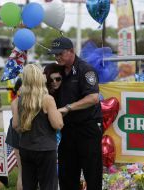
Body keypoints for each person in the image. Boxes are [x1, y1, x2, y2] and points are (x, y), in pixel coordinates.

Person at [48, 37, 103, 190]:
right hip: (67, 129)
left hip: (88, 128)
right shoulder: (56, 71)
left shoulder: (85, 70)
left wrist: (68, 108)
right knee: (66, 174)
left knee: (92, 173)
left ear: (71, 51)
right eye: (55, 54)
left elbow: (93, 98)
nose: (57, 57)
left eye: (60, 54)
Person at [11, 64, 64, 190]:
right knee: (48, 185)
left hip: (26, 147)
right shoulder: (47, 99)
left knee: (28, 185)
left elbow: (15, 125)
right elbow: (58, 125)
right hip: (45, 149)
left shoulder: (20, 100)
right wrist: (59, 114)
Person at [5, 77, 23, 190]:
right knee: (23, 172)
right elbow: (16, 124)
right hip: (20, 134)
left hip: (16, 132)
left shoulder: (14, 102)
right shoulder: (16, 102)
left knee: (22, 172)